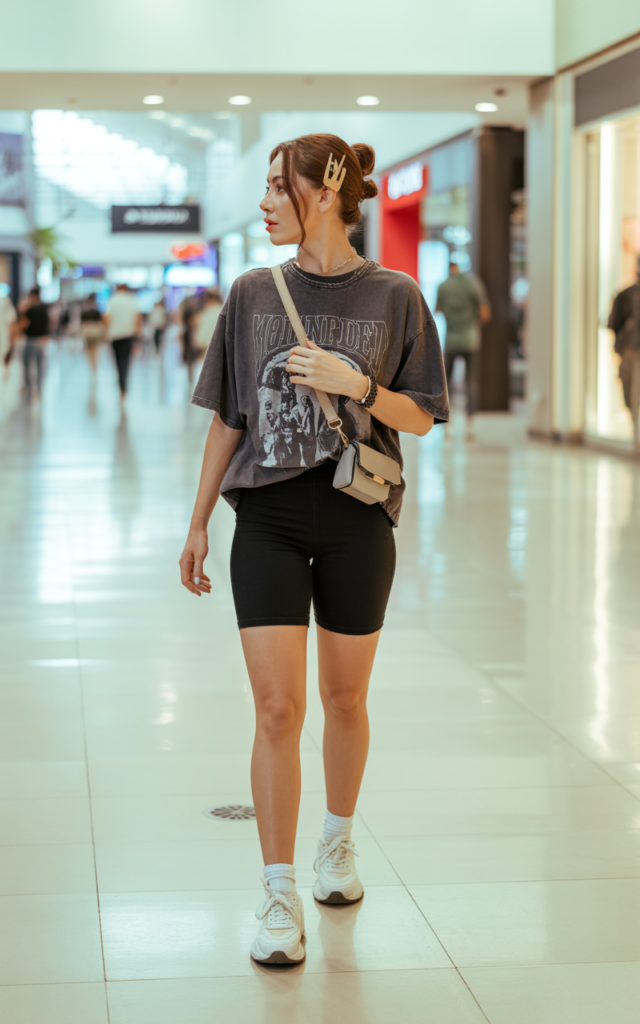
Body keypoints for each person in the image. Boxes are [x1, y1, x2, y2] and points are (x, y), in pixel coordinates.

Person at [179, 133, 449, 966]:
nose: (263, 202)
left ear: (324, 191)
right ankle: (276, 890)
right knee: (275, 708)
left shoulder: (397, 295)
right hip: (264, 516)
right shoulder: (252, 293)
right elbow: (230, 417)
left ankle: (338, 844)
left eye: (274, 187)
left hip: (356, 518)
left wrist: (357, 385)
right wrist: (196, 522)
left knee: (343, 700)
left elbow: (424, 414)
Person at [436, 260, 491, 438]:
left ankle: (447, 424)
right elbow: (484, 314)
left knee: (447, 382)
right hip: (470, 340)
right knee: (471, 383)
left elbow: (437, 310)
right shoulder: (473, 283)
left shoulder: (443, 286)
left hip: (451, 340)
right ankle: (470, 425)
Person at [608, 259, 640, 447]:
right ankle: (635, 433)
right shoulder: (625, 295)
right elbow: (614, 324)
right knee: (631, 392)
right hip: (630, 351)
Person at [104, 284, 142, 400]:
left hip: (115, 335)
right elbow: (138, 317)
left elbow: (106, 318)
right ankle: (124, 384)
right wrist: (137, 335)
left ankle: (121, 384)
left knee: (117, 360)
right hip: (128, 334)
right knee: (126, 360)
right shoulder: (132, 300)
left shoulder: (112, 300)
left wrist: (107, 331)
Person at [20, 286, 50, 400]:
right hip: (42, 340)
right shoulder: (44, 308)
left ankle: (29, 390)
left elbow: (23, 324)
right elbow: (48, 323)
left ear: (32, 296)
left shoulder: (30, 310)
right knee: (40, 366)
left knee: (28, 366)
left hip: (31, 340)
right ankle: (39, 389)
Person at [191, 288, 223, 364]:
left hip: (208, 349)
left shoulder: (206, 313)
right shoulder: (223, 310)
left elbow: (200, 337)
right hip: (220, 349)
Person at [80, 293, 105, 377]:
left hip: (88, 333)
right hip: (95, 333)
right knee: (95, 351)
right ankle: (94, 367)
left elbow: (82, 324)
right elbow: (101, 323)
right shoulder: (97, 310)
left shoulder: (84, 310)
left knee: (90, 352)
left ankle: (92, 367)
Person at [0, 284, 17, 371]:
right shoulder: (5, 301)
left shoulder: (4, 301)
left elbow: (12, 323)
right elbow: (12, 323)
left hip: (4, 345)